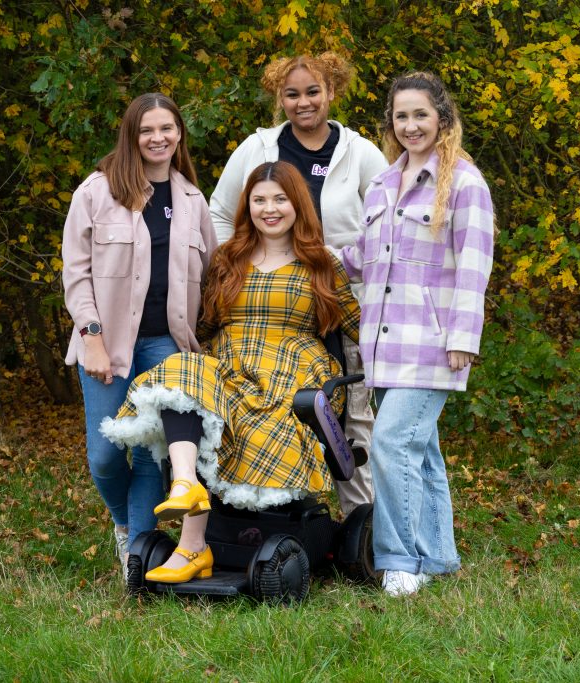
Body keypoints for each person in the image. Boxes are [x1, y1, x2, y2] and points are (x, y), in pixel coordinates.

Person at [100, 161, 361, 583]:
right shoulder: (228, 258)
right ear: (247, 206)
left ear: (298, 205)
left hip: (291, 372)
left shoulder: (321, 264)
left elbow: (359, 326)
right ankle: (187, 488)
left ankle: (192, 546)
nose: (269, 208)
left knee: (256, 421)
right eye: (260, 200)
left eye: (280, 199)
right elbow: (201, 326)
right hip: (230, 364)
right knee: (184, 373)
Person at [209, 51, 388, 516]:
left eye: (313, 91)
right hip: (269, 298)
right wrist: (248, 263)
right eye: (292, 94)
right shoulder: (259, 150)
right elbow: (221, 213)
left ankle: (360, 527)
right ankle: (257, 517)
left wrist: (339, 264)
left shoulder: (360, 153)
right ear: (279, 99)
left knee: (352, 421)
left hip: (339, 293)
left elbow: (388, 224)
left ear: (332, 92)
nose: (303, 102)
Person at [340, 72, 495, 596]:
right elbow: (364, 258)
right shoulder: (384, 184)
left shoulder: (464, 184)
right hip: (383, 345)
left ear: (442, 119)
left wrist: (463, 340)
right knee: (419, 451)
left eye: (420, 115)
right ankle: (439, 559)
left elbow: (474, 267)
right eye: (401, 116)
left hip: (432, 344)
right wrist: (311, 262)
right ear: (391, 123)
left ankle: (400, 560)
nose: (410, 126)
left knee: (390, 443)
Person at [61, 93, 217, 580]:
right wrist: (91, 338)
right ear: (132, 135)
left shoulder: (191, 199)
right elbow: (75, 273)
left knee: (154, 455)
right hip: (107, 344)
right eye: (148, 130)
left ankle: (138, 552)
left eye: (167, 128)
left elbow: (212, 274)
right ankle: (125, 522)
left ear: (179, 134)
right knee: (105, 455)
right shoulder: (95, 192)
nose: (158, 138)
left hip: (168, 347)